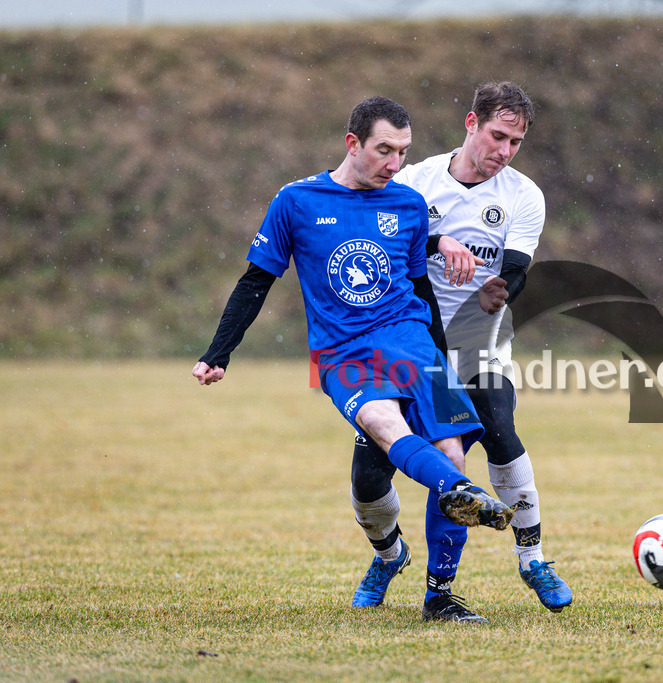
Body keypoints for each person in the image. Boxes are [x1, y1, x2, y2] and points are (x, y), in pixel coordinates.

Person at [191, 96, 517, 622]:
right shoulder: (295, 201)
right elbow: (257, 281)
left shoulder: (407, 204)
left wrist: (443, 350)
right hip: (342, 352)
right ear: (352, 143)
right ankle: (458, 498)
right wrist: (218, 353)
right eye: (384, 150)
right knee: (383, 425)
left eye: (403, 153)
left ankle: (440, 596)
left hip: (411, 340)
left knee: (452, 453)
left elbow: (418, 288)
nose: (395, 164)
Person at [349, 82, 572, 623]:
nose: (503, 150)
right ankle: (388, 554)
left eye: (515, 142)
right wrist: (436, 243)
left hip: (481, 342)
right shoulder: (416, 180)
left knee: (499, 431)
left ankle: (531, 558)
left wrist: (499, 293)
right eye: (497, 135)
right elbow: (387, 249)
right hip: (410, 340)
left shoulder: (523, 196)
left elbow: (515, 271)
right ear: (471, 124)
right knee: (370, 476)